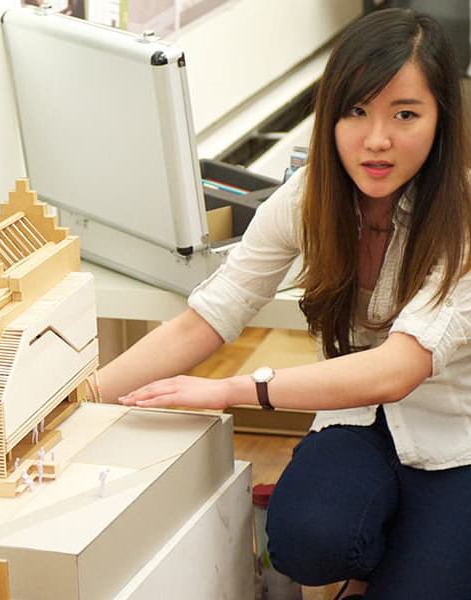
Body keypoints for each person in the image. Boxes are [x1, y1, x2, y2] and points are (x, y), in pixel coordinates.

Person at [99, 8, 471, 599]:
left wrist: (230, 390)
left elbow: (399, 369)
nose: (376, 140)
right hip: (358, 423)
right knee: (301, 539)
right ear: (330, 116)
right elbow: (210, 316)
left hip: (457, 442)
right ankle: (387, 542)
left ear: (441, 120)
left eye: (405, 114)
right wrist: (78, 402)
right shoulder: (307, 198)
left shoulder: (463, 219)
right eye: (356, 112)